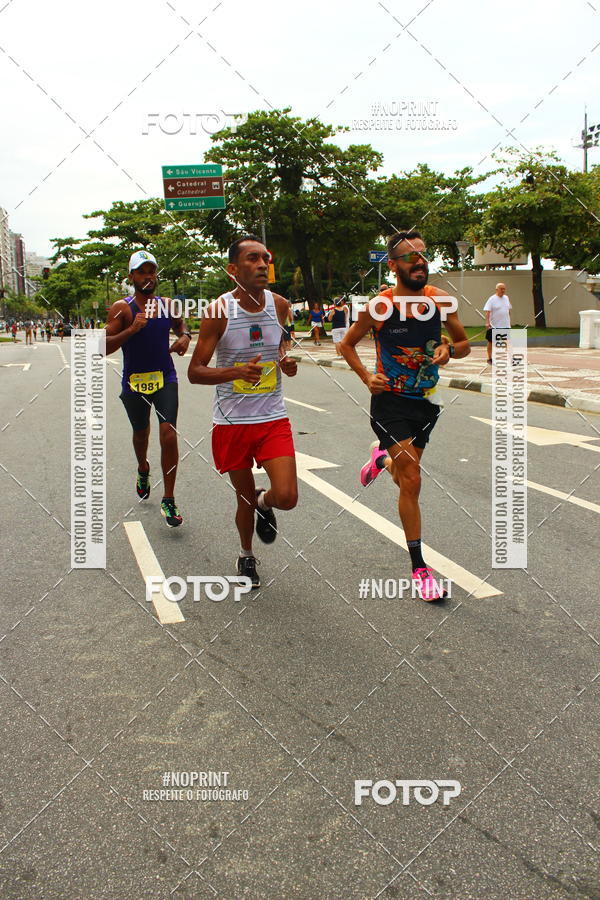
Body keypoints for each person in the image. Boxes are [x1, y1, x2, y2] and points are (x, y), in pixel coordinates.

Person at [340, 230, 470, 601]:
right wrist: (367, 377)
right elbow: (346, 344)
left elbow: (463, 344)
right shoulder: (379, 307)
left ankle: (380, 460)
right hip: (391, 402)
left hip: (427, 401)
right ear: (393, 265)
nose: (420, 262)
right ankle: (420, 568)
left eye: (423, 255)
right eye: (411, 257)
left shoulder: (440, 301)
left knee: (403, 474)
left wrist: (449, 349)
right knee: (412, 479)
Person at [188, 235, 299, 588]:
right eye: (252, 259)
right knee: (242, 498)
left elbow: (277, 344)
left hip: (271, 417)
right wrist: (236, 371)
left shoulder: (280, 304)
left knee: (288, 497)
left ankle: (265, 503)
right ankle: (246, 554)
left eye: (265, 257)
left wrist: (285, 360)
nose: (262, 264)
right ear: (233, 270)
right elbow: (195, 371)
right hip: (232, 421)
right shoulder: (218, 311)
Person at [105, 250, 190, 527]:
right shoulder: (122, 308)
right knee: (141, 434)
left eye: (151, 271)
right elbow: (101, 347)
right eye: (142, 271)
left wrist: (185, 337)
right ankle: (143, 467)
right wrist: (131, 330)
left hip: (165, 378)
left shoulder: (167, 305)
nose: (148, 276)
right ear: (131, 277)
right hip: (134, 382)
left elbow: (181, 326)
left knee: (168, 434)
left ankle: (169, 497)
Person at [484, 283, 511, 364]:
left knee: (507, 341)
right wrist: (487, 322)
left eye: (504, 289)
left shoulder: (506, 298)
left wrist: (510, 322)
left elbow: (508, 310)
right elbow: (487, 312)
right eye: (501, 289)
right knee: (491, 342)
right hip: (494, 325)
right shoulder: (492, 299)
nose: (503, 290)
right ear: (496, 290)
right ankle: (489, 358)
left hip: (505, 325)